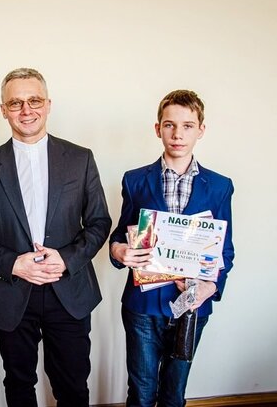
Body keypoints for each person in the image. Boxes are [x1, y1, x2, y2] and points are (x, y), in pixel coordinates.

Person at [0, 68, 111, 407]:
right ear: (3, 110)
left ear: (48, 105)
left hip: (69, 290)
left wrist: (67, 258)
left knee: (73, 387)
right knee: (18, 385)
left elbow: (99, 222)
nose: (26, 110)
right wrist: (14, 264)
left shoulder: (80, 159)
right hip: (11, 292)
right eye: (15, 103)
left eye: (34, 100)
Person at [109, 90, 235, 407]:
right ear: (158, 129)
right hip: (143, 305)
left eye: (187, 126)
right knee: (141, 393)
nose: (178, 134)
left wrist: (210, 287)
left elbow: (225, 250)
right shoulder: (135, 180)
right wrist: (118, 251)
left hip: (192, 306)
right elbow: (120, 234)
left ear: (200, 130)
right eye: (169, 125)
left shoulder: (220, 186)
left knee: (174, 394)